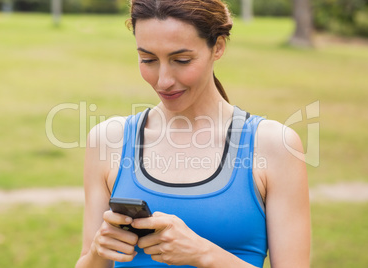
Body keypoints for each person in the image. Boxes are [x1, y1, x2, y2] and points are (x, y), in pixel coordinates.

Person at [75, 0, 311, 267]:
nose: (163, 80)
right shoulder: (107, 141)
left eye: (181, 60)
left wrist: (203, 254)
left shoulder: (274, 145)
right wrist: (97, 251)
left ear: (218, 47)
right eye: (148, 59)